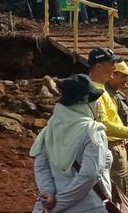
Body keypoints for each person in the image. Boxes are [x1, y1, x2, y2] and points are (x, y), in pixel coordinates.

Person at [30, 73, 111, 212]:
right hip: (90, 208)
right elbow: (89, 176)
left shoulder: (50, 129)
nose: (98, 103)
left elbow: (41, 166)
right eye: (95, 99)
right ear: (86, 102)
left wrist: (48, 191)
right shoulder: (93, 131)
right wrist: (58, 205)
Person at [88, 47, 128, 197]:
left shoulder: (97, 89)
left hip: (113, 148)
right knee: (117, 197)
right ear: (99, 66)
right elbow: (103, 125)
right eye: (112, 65)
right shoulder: (96, 92)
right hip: (110, 148)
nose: (113, 69)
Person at [104, 61, 128, 197]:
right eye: (123, 76)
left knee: (124, 191)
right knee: (119, 195)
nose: (126, 80)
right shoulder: (106, 96)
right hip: (117, 150)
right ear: (112, 75)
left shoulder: (118, 95)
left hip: (125, 151)